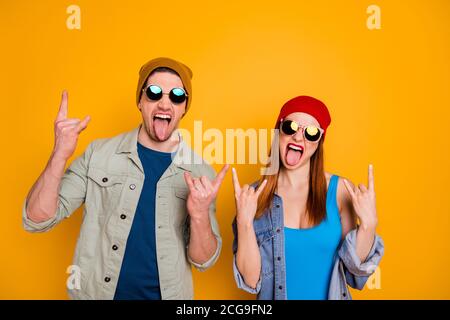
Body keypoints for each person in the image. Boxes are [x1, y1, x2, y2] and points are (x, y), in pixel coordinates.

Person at [22, 57, 228, 300]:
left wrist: (200, 214)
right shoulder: (98, 154)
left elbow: (203, 260)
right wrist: (59, 154)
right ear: (140, 101)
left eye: (176, 96)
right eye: (153, 93)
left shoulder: (201, 173)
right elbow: (37, 219)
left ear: (184, 107)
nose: (164, 103)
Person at [231, 95, 384, 300]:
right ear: (279, 131)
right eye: (290, 126)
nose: (298, 137)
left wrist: (369, 225)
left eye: (311, 133)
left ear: (319, 141)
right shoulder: (253, 197)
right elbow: (250, 281)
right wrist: (244, 223)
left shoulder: (340, 191)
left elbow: (353, 276)